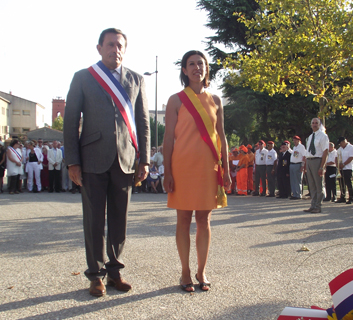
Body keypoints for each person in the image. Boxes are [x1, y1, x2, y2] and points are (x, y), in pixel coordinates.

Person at [63, 28, 150, 297]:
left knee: (119, 220)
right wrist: (72, 161)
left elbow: (143, 122)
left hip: (125, 160)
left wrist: (144, 160)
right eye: (110, 45)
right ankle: (95, 275)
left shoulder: (136, 79)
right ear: (99, 48)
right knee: (93, 221)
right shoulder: (83, 78)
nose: (116, 50)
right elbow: (69, 122)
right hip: (91, 160)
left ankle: (114, 272)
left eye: (120, 45)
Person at [163, 50, 230, 293]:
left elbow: (221, 136)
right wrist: (167, 171)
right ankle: (185, 271)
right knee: (183, 219)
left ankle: (202, 270)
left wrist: (227, 169)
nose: (196, 68)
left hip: (208, 167)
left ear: (206, 69)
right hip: (182, 167)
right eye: (191, 64)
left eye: (200, 64)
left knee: (204, 220)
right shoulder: (176, 100)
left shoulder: (216, 100)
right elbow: (168, 138)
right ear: (184, 70)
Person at [304, 118, 329, 213]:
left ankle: (318, 206)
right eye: (313, 123)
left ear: (319, 125)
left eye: (316, 123)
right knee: (312, 185)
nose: (314, 125)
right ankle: (313, 205)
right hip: (309, 160)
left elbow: (325, 151)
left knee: (319, 184)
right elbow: (308, 151)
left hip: (317, 160)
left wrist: (322, 166)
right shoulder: (310, 136)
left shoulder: (323, 136)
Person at [337, 137, 353, 204]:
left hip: (348, 168)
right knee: (341, 183)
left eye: (341, 143)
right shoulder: (340, 149)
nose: (340, 144)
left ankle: (351, 197)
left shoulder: (351, 147)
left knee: (348, 183)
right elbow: (337, 157)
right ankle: (342, 196)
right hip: (341, 169)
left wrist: (344, 164)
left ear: (344, 141)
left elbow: (351, 157)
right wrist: (338, 165)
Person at [289, 136, 306, 200]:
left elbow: (304, 156)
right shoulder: (294, 147)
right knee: (293, 180)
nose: (294, 141)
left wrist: (302, 166)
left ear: (299, 140)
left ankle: (298, 194)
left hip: (298, 164)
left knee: (297, 180)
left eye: (296, 140)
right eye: (293, 140)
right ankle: (294, 193)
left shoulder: (301, 147)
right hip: (292, 164)